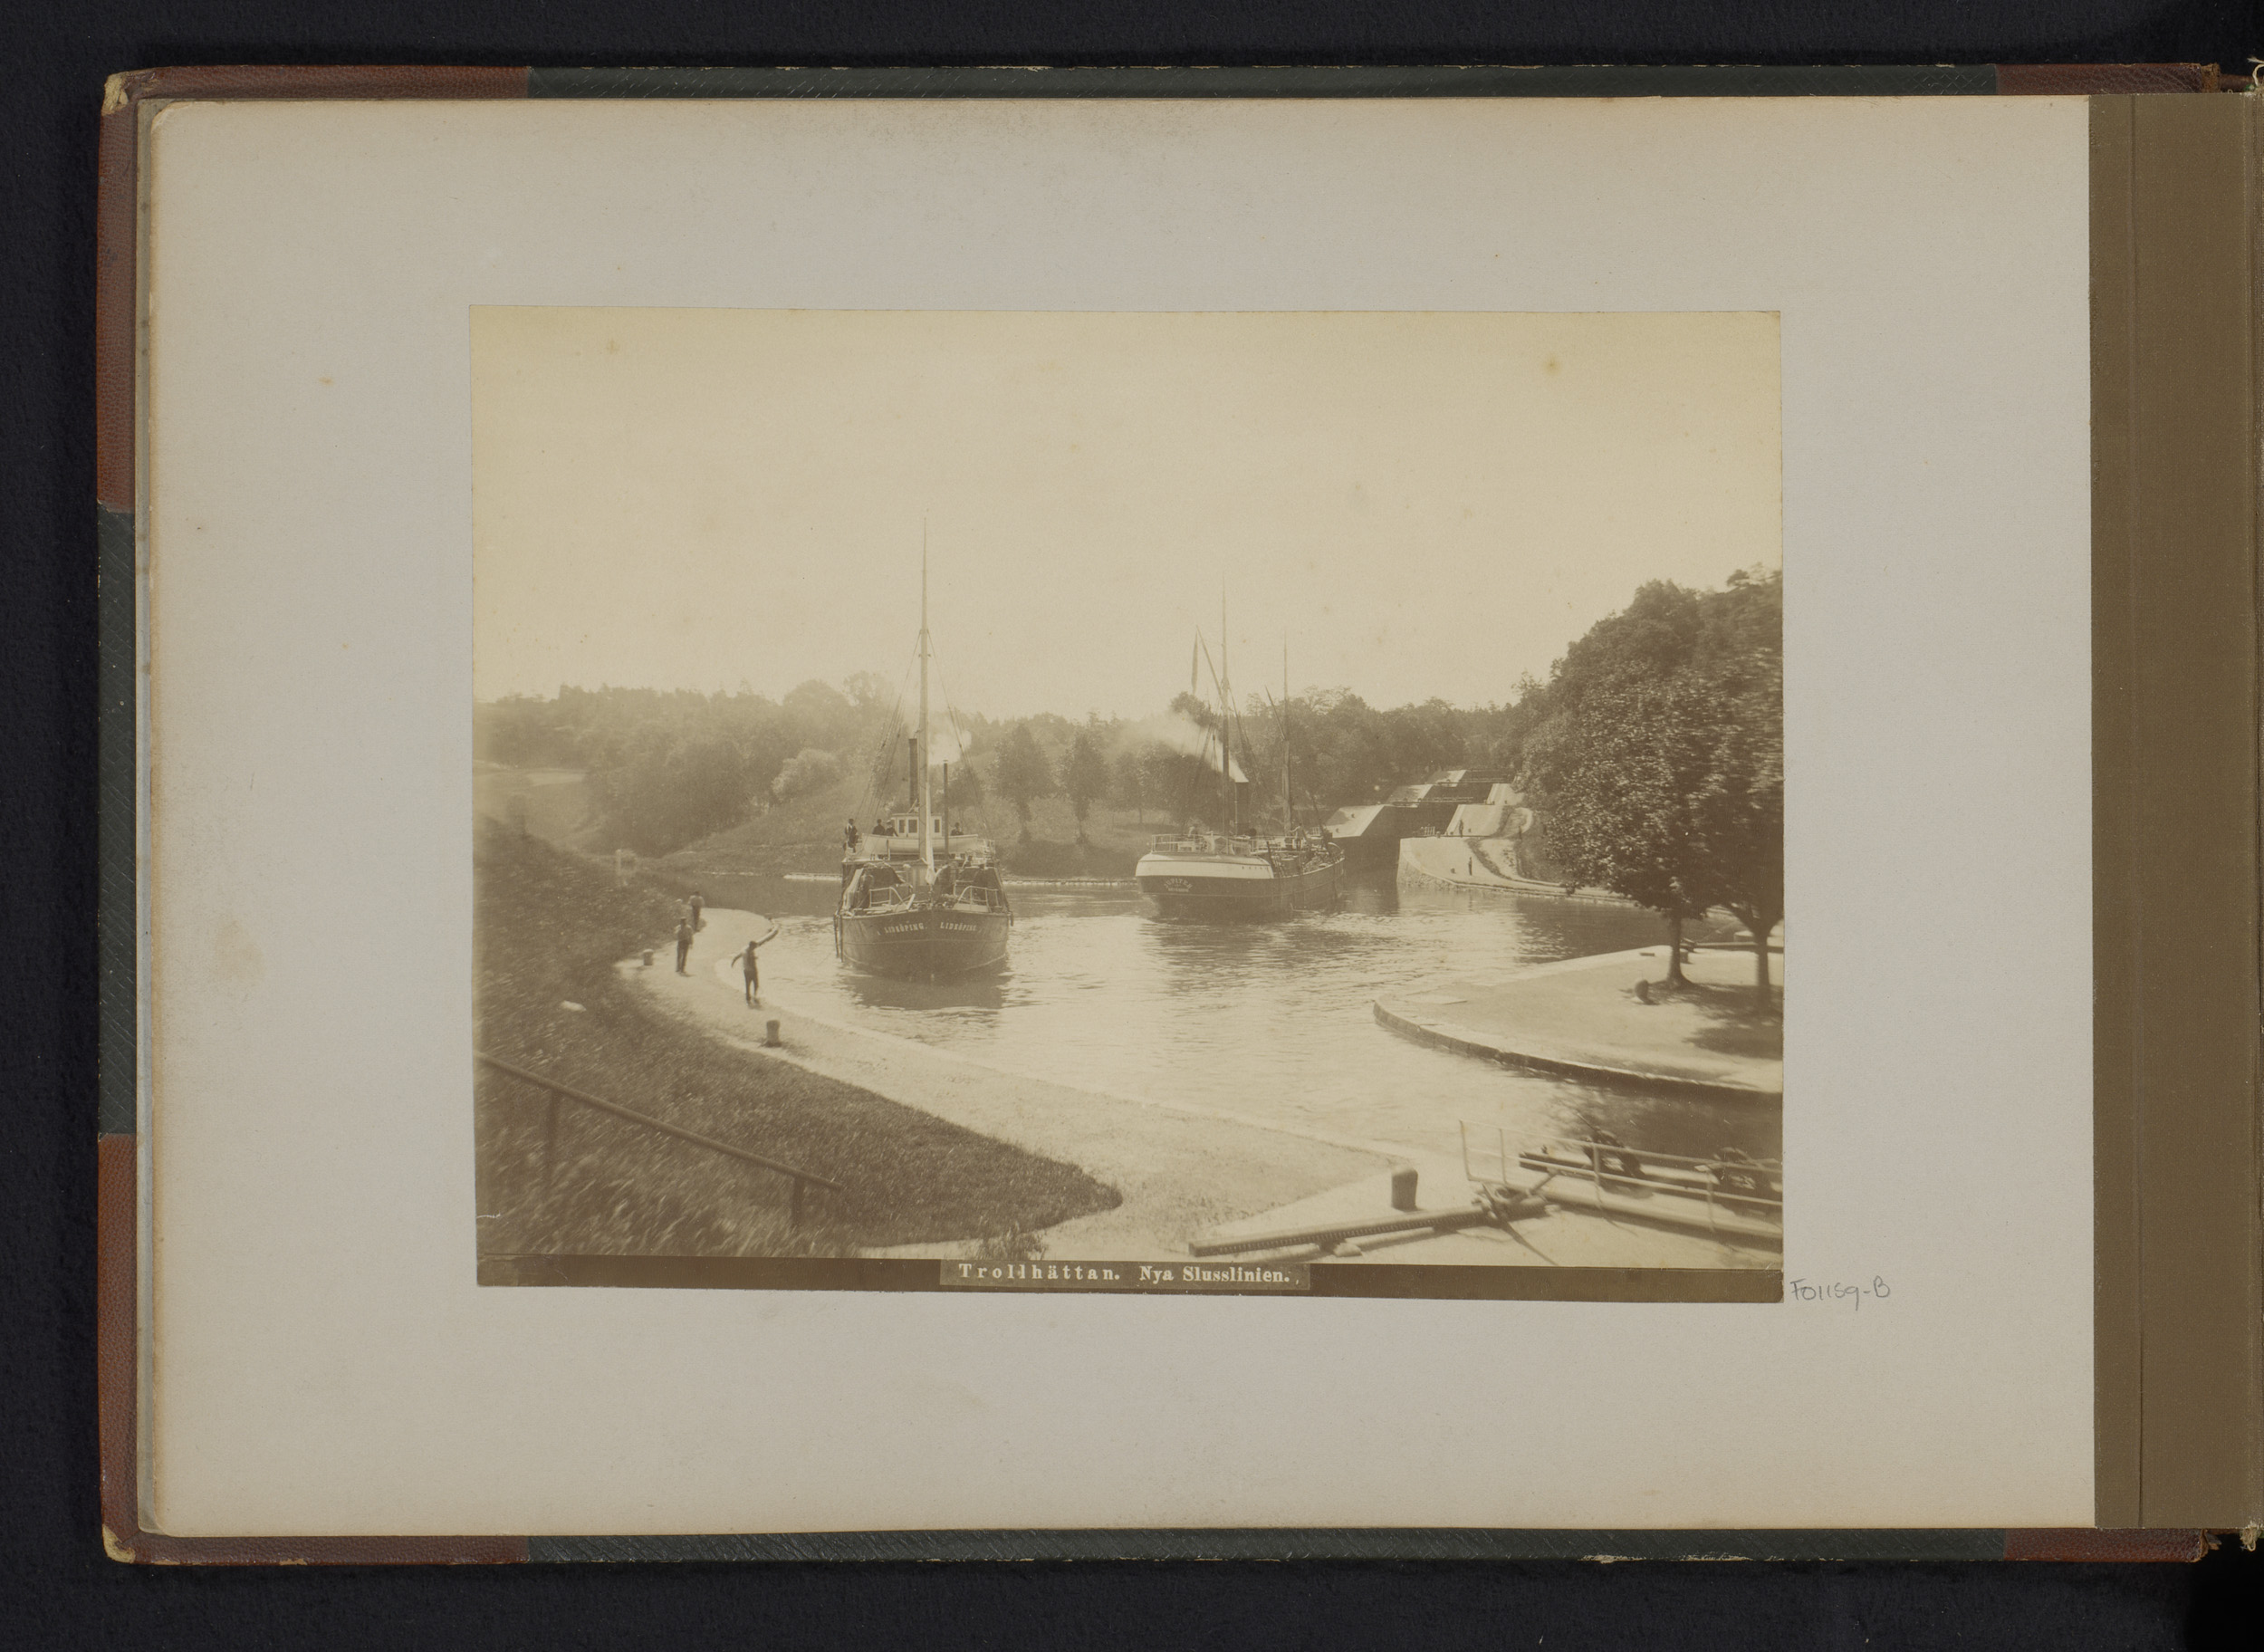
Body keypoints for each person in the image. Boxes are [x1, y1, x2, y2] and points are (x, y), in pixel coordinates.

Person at [734, 937, 761, 1004]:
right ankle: (750, 998)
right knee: (750, 984)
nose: (755, 948)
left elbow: (748, 958)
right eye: (754, 947)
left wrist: (755, 958)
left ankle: (752, 996)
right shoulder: (746, 953)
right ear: (751, 946)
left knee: (754, 984)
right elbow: (747, 963)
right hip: (749, 971)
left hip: (750, 970)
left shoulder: (749, 950)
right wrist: (751, 969)